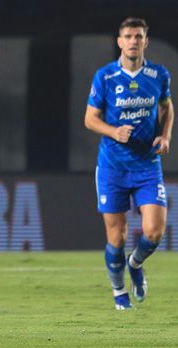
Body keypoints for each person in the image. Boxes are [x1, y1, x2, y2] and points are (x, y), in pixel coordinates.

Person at [84, 17, 173, 310]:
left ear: (145, 41)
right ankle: (119, 292)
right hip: (112, 167)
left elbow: (167, 107)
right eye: (128, 36)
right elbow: (90, 119)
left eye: (138, 36)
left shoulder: (158, 74)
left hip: (147, 165)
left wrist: (165, 135)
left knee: (155, 232)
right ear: (120, 42)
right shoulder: (106, 77)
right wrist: (114, 131)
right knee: (117, 237)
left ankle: (135, 265)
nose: (133, 41)